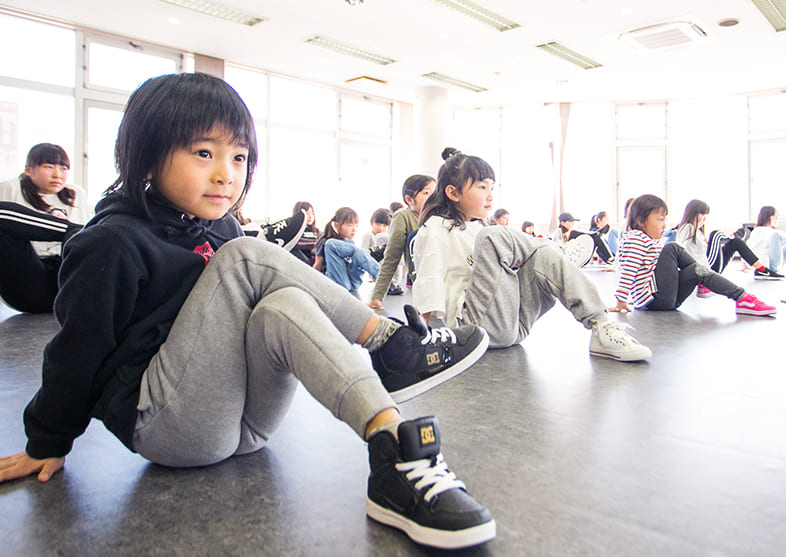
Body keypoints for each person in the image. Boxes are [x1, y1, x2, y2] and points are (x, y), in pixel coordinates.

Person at [0, 74, 497, 551]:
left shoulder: (219, 228)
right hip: (166, 427)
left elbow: (268, 321)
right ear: (147, 157)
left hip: (244, 423)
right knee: (246, 257)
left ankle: (394, 453)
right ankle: (391, 345)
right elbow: (77, 349)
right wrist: (48, 439)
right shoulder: (111, 242)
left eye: (239, 157)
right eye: (203, 153)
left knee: (282, 302)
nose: (226, 174)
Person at [413, 147, 652, 362]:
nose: (490, 196)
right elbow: (428, 281)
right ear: (453, 193)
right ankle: (558, 252)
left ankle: (601, 326)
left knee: (540, 258)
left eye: (491, 187)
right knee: (494, 236)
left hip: (512, 323)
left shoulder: (477, 227)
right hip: (473, 329)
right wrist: (422, 338)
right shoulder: (434, 228)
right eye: (481, 187)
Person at [613, 194, 776, 316]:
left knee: (696, 270)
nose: (664, 225)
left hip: (665, 299)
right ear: (641, 221)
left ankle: (742, 298)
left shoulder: (647, 239)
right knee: (672, 248)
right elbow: (628, 269)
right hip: (655, 299)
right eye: (660, 220)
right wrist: (622, 299)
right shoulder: (635, 238)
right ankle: (723, 289)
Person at [0, 143, 91, 313]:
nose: (57, 174)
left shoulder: (76, 193)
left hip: (69, 278)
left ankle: (72, 230)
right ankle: (69, 229)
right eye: (48, 167)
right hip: (31, 276)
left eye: (64, 169)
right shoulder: (12, 189)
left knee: (84, 238)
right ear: (28, 169)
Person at [675, 199, 781, 297]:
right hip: (704, 269)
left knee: (735, 242)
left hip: (708, 267)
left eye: (706, 215)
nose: (704, 219)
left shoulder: (695, 231)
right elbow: (681, 250)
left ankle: (762, 269)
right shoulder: (687, 228)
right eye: (702, 214)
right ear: (693, 213)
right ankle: (735, 235)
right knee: (716, 234)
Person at [369, 175, 435, 310]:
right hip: (423, 278)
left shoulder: (438, 217)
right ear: (409, 199)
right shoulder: (403, 216)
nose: (433, 198)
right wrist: (377, 296)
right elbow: (391, 257)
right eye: (427, 193)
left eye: (435, 193)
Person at [313, 207, 381, 294]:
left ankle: (383, 279)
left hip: (352, 284)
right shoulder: (325, 241)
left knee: (360, 254)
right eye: (350, 225)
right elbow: (317, 265)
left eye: (356, 225)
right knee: (330, 244)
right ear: (337, 226)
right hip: (337, 282)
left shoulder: (350, 242)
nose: (354, 229)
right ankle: (367, 253)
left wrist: (362, 255)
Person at [746, 206, 786, 275]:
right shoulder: (767, 232)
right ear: (771, 217)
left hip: (772, 265)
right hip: (768, 266)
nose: (777, 220)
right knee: (776, 235)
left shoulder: (758, 231)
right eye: (776, 217)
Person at [290, 201, 319, 265]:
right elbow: (295, 243)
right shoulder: (294, 231)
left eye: (311, 213)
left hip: (316, 261)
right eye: (307, 213)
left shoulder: (316, 231)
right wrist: (315, 244)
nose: (310, 216)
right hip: (302, 262)